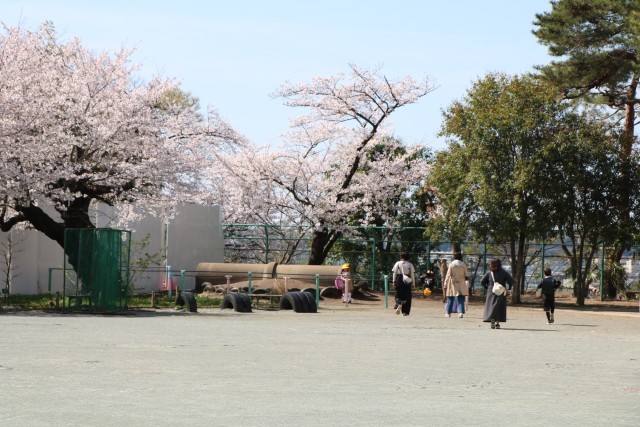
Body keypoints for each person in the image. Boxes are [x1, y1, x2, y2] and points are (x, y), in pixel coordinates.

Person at [480, 258, 514, 329]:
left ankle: (492, 320)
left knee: (491, 306)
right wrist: (509, 288)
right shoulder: (504, 272)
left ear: (491, 264)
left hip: (491, 291)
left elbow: (482, 281)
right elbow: (511, 280)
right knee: (499, 307)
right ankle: (497, 322)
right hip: (501, 291)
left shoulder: (489, 273)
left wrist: (487, 287)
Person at [443, 252, 470, 318]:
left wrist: (445, 282)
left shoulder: (451, 264)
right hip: (461, 282)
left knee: (450, 297)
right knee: (460, 298)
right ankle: (461, 312)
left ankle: (448, 313)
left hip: (452, 282)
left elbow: (448, 274)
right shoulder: (463, 265)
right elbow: (466, 274)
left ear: (454, 257)